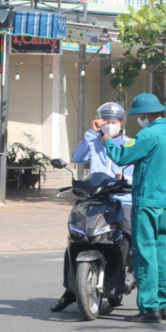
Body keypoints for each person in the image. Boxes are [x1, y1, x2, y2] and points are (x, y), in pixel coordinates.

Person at [102, 93, 166, 323]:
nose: (140, 119)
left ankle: (149, 309)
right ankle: (163, 304)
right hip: (163, 202)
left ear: (146, 115)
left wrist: (106, 139)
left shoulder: (148, 134)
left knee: (144, 253)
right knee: (160, 253)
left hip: (145, 200)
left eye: (140, 115)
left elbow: (121, 155)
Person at [50, 102, 134, 313]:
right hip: (95, 199)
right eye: (105, 120)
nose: (110, 124)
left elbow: (135, 170)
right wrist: (91, 132)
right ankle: (70, 291)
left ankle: (132, 272)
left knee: (130, 234)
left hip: (122, 199)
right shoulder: (94, 141)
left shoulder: (130, 143)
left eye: (114, 121)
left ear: (121, 123)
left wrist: (127, 178)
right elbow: (77, 157)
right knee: (76, 238)